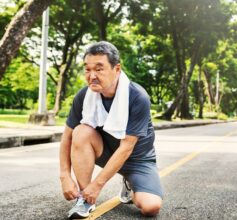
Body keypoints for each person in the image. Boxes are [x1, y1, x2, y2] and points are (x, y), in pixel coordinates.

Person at [59, 41, 163, 219]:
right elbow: (67, 137)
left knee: (150, 207)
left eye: (99, 69)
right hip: (106, 152)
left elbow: (126, 148)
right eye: (87, 69)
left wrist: (97, 185)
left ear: (116, 69)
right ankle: (85, 199)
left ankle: (130, 182)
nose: (92, 75)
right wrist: (64, 176)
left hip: (137, 160)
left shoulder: (138, 97)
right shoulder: (84, 96)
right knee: (81, 131)